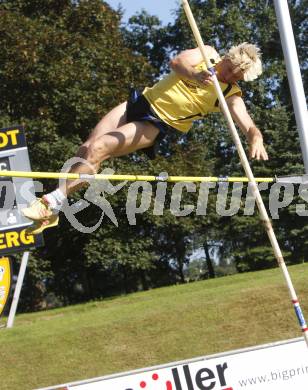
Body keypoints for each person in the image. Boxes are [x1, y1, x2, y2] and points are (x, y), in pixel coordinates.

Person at [22, 42, 268, 233]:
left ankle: (50, 201)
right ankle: (52, 214)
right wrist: (195, 76)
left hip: (155, 123)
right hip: (141, 102)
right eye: (232, 73)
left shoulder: (230, 93)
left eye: (238, 79)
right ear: (228, 60)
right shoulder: (208, 52)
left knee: (99, 148)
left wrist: (255, 137)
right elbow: (177, 62)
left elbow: (246, 122)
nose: (232, 79)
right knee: (85, 149)